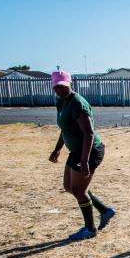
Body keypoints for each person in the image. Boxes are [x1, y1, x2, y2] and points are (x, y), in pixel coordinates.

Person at [48, 70, 115, 240]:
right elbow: (65, 129)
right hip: (77, 151)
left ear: (69, 84)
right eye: (56, 87)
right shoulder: (61, 103)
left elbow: (89, 134)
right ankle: (104, 211)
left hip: (90, 150)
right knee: (70, 186)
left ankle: (90, 229)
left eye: (63, 86)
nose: (60, 90)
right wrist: (57, 149)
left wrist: (85, 161)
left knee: (78, 190)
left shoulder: (77, 103)